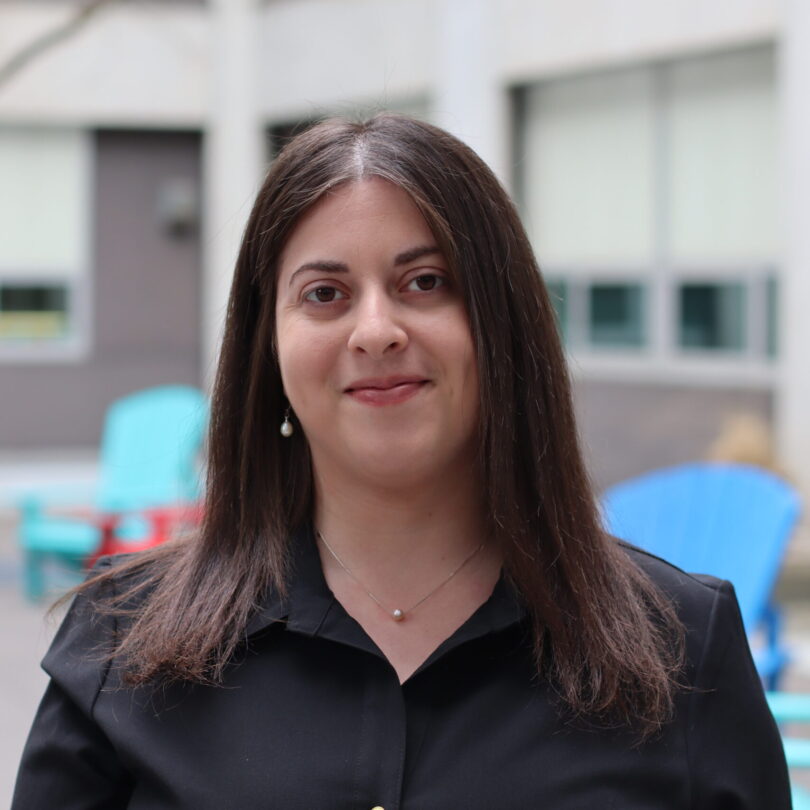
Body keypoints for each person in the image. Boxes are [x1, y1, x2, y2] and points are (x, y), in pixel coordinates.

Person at [12, 114, 790, 809]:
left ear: (503, 327)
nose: (376, 330)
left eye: (426, 282)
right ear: (268, 348)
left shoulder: (683, 650)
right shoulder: (122, 648)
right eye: (324, 293)